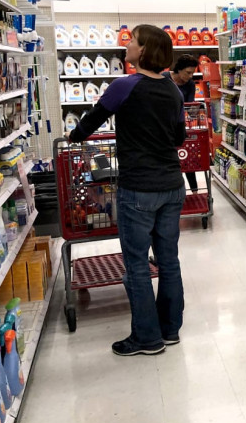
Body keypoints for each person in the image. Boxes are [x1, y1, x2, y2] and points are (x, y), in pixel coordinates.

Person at [68, 25, 186, 356]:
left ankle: (146, 339)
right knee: (169, 261)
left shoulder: (124, 86)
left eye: (131, 42)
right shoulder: (173, 91)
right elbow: (178, 138)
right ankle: (170, 330)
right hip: (172, 186)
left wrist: (73, 138)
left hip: (138, 190)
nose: (126, 46)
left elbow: (89, 122)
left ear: (144, 50)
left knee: (135, 264)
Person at [164, 54, 200, 193]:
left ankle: (195, 191)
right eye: (188, 72)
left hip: (180, 125)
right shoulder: (164, 78)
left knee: (187, 157)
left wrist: (193, 110)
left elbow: (189, 106)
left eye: (192, 73)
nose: (190, 76)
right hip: (165, 126)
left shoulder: (190, 84)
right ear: (179, 69)